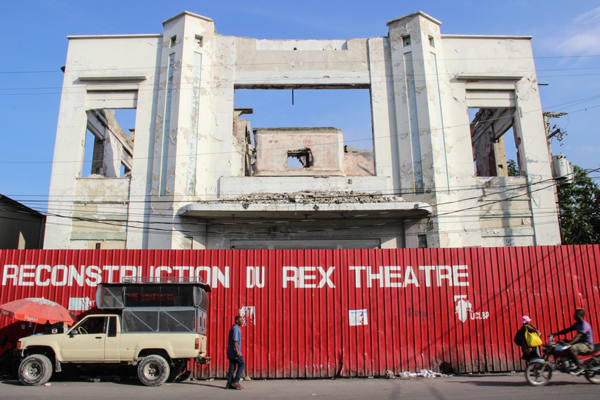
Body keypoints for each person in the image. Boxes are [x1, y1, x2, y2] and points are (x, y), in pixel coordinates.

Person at [552, 308, 595, 375]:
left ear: (580, 316)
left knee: (571, 349)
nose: (574, 316)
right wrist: (555, 334)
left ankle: (580, 367)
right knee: (564, 342)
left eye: (576, 314)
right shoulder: (577, 324)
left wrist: (569, 343)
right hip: (580, 343)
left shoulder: (584, 325)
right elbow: (567, 330)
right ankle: (570, 364)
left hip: (587, 345)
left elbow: (578, 336)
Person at [226, 316, 245, 390]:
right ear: (237, 321)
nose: (242, 321)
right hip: (235, 351)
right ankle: (236, 381)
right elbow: (235, 340)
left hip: (231, 351)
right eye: (241, 320)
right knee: (242, 364)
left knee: (232, 367)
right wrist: (237, 351)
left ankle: (229, 383)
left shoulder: (234, 328)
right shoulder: (236, 329)